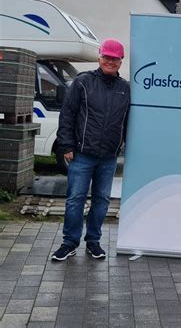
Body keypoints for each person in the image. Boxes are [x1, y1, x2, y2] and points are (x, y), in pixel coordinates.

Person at [52, 39, 130, 261]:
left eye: (115, 58)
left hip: (108, 157)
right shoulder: (83, 82)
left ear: (120, 61)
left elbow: (129, 122)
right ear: (99, 57)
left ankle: (93, 242)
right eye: (106, 57)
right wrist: (66, 144)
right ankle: (69, 243)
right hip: (82, 154)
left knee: (102, 200)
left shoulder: (125, 89)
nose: (110, 61)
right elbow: (68, 113)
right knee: (75, 198)